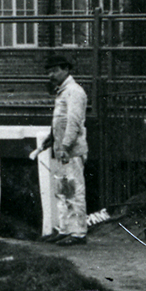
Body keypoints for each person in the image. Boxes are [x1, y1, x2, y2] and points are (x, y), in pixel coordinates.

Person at [46, 55, 89, 245]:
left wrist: (65, 145)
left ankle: (78, 232)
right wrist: (52, 138)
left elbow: (74, 122)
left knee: (74, 191)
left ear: (66, 70)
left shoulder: (74, 91)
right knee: (63, 191)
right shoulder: (62, 92)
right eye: (49, 71)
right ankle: (64, 230)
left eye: (54, 70)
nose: (51, 75)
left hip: (71, 151)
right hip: (62, 150)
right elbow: (60, 121)